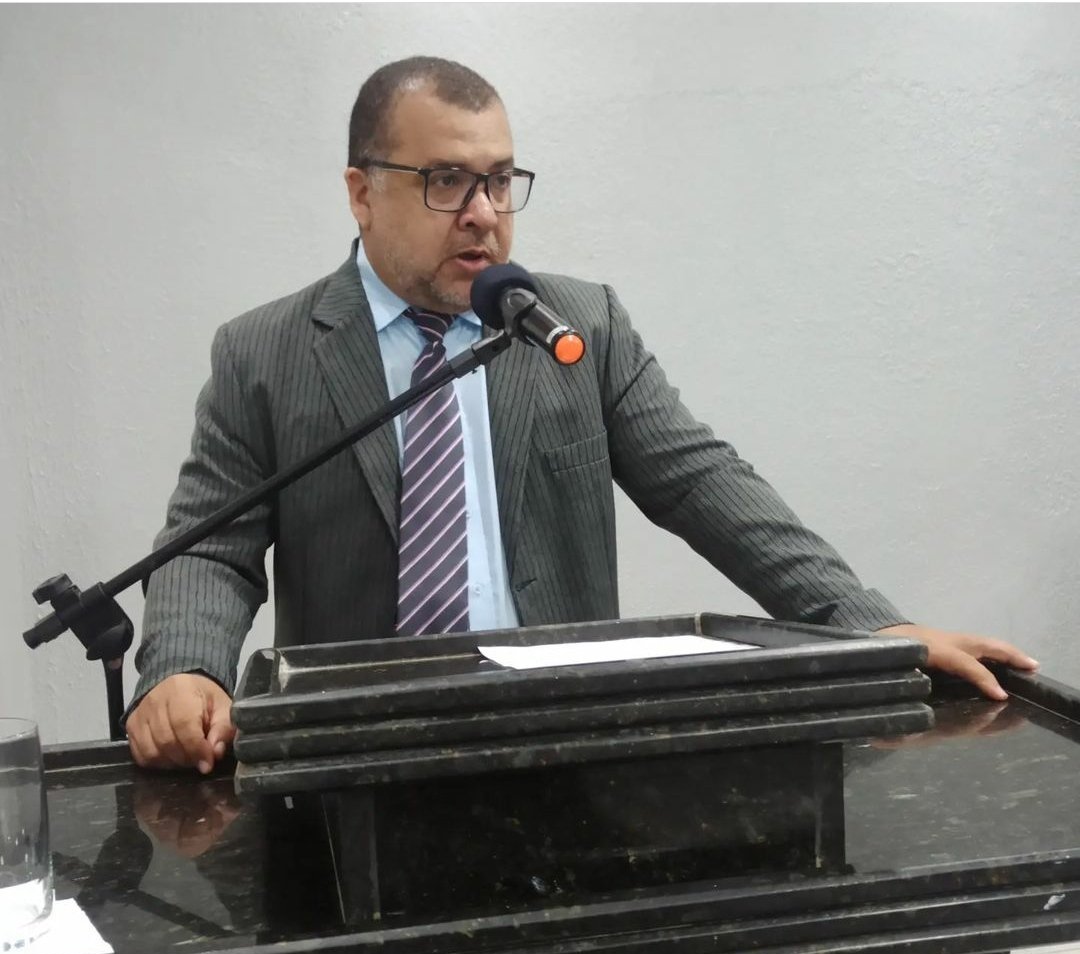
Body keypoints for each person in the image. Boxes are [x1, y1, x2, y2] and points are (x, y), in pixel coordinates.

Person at [125, 56, 1037, 774]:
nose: (482, 214)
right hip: (356, 757)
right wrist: (184, 670)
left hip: (561, 744)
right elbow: (210, 547)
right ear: (362, 192)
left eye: (500, 181)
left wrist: (869, 626)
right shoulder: (268, 353)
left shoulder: (575, 327)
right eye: (446, 180)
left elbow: (705, 484)